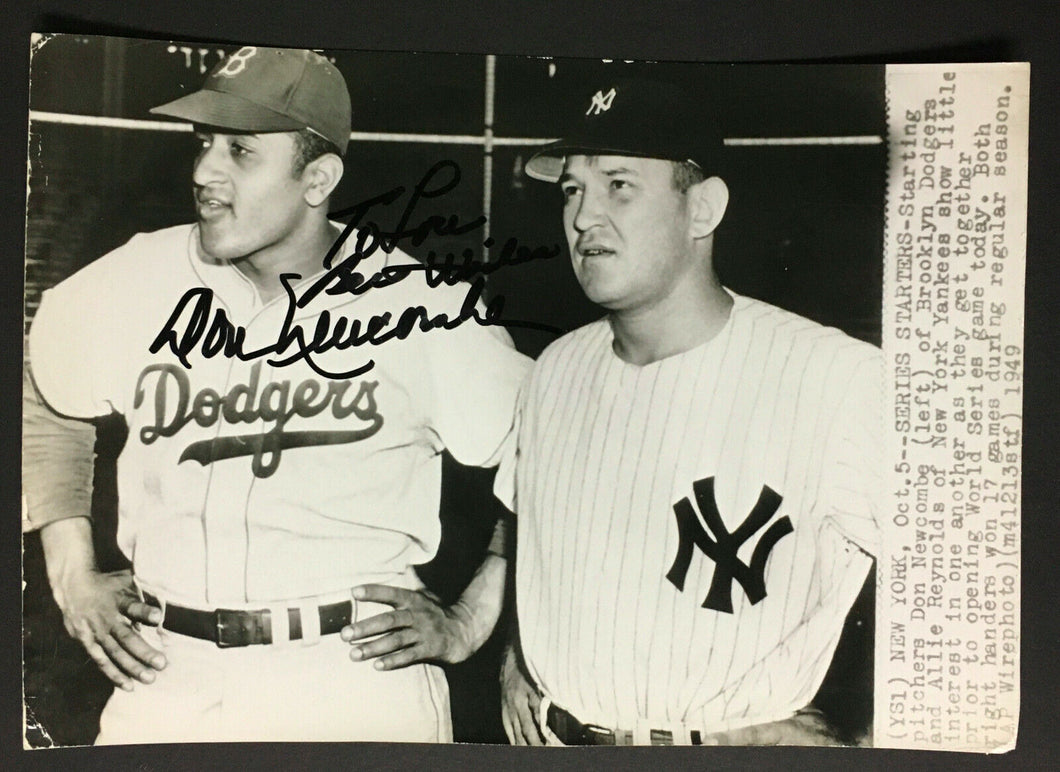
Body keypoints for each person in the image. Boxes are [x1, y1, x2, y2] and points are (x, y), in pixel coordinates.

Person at [23, 46, 529, 744]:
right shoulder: (137, 276)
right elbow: (46, 384)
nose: (205, 172)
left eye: (241, 151)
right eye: (204, 144)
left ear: (317, 177)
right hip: (168, 673)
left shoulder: (417, 305)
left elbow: (553, 449)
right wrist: (71, 573)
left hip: (350, 677)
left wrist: (472, 619)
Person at [496, 79, 882, 746]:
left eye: (618, 184)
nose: (584, 216)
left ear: (702, 210)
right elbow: (526, 539)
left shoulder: (836, 379)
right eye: (571, 190)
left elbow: (978, 586)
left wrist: (874, 742)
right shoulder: (554, 371)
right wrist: (513, 654)